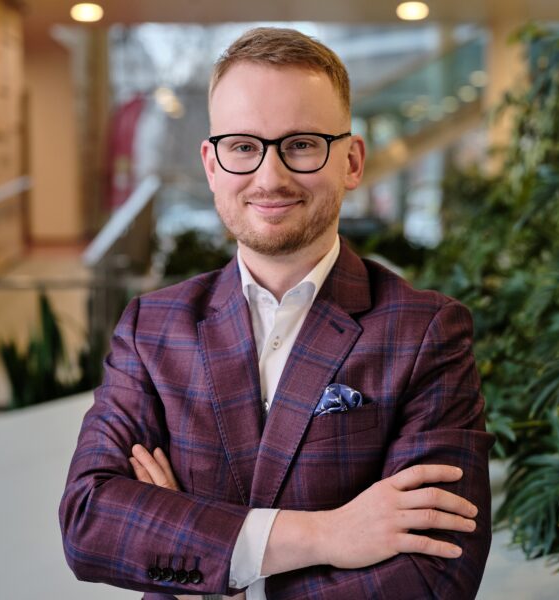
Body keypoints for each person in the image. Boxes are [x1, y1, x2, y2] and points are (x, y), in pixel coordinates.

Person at [60, 27, 494, 600]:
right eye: (243, 147)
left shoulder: (425, 332)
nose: (270, 177)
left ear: (352, 160)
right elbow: (91, 521)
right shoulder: (151, 328)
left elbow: (436, 573)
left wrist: (202, 551)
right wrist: (328, 534)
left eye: (302, 144)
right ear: (212, 165)